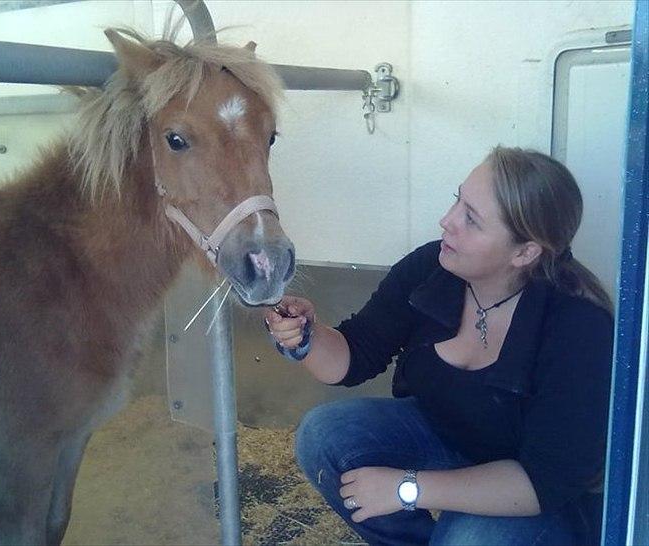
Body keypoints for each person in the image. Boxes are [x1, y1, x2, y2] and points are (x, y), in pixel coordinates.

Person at [263, 147, 614, 546]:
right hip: (447, 436)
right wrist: (307, 335)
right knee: (323, 434)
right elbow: (355, 355)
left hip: (526, 490)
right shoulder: (434, 267)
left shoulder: (577, 326)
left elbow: (544, 482)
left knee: (468, 540)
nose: (447, 222)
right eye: (458, 200)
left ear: (525, 251)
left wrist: (405, 488)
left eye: (472, 219)